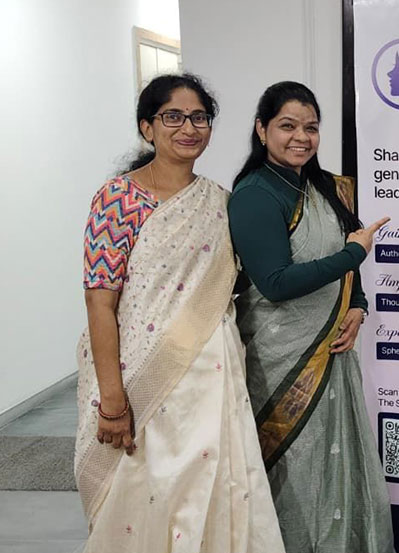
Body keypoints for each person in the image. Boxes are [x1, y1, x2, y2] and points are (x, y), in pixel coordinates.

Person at [75, 73, 285, 552]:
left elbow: (264, 276)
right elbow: (99, 302)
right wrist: (112, 401)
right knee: (143, 493)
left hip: (211, 378)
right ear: (147, 127)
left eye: (199, 118)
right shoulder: (117, 200)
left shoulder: (220, 202)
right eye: (173, 116)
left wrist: (350, 301)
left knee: (214, 489)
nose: (189, 128)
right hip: (138, 379)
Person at [228, 81, 393, 553]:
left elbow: (345, 256)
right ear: (262, 130)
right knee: (294, 470)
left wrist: (358, 305)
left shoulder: (325, 186)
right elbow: (276, 283)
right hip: (280, 360)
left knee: (337, 464)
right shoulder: (255, 195)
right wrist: (353, 255)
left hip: (332, 350)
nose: (301, 137)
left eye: (311, 127)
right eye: (288, 126)